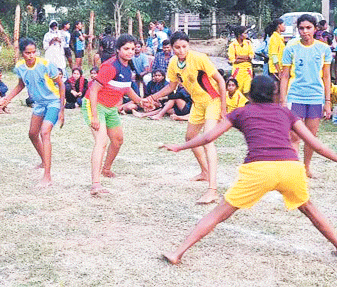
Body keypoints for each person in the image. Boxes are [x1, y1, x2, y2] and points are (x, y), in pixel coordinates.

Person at [160, 75, 337, 265]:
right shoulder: (286, 112)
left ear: (249, 95)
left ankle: (178, 253)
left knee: (218, 213)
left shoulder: (240, 112)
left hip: (258, 169)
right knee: (310, 209)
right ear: (275, 94)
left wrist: (179, 146)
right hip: (290, 168)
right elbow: (315, 144)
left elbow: (207, 138)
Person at [145, 31, 227, 204]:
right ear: (172, 48)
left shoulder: (200, 58)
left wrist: (224, 109)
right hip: (197, 103)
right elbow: (171, 87)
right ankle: (205, 172)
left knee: (208, 140)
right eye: (177, 47)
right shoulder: (173, 62)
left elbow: (220, 81)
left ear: (189, 46)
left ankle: (212, 191)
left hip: (212, 101)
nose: (181, 50)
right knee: (190, 137)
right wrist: (152, 98)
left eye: (184, 46)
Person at [84, 34, 150, 195]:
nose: (130, 52)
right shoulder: (110, 66)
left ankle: (106, 169)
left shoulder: (128, 66)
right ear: (118, 50)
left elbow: (126, 87)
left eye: (133, 49)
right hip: (95, 105)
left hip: (110, 107)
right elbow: (93, 90)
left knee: (118, 140)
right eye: (126, 49)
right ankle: (95, 184)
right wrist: (94, 116)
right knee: (101, 142)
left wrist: (141, 101)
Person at [0, 39, 65, 188]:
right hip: (39, 104)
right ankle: (43, 160)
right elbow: (20, 85)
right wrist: (6, 99)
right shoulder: (20, 67)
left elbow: (61, 84)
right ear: (22, 53)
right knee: (32, 134)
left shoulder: (46, 65)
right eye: (28, 53)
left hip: (53, 102)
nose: (31, 55)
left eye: (34, 52)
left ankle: (47, 175)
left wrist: (62, 109)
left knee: (44, 132)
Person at [279, 14, 333, 179]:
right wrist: (283, 100)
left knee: (310, 136)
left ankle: (306, 167)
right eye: (301, 28)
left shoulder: (324, 49)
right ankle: (294, 170)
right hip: (296, 96)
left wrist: (328, 101)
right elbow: (285, 76)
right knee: (294, 136)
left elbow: (326, 76)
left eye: (308, 28)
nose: (305, 31)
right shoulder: (291, 48)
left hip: (316, 98)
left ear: (315, 29)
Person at [227, 25, 253, 95]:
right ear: (240, 35)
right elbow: (233, 60)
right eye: (245, 33)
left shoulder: (248, 43)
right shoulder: (233, 45)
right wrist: (245, 58)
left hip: (248, 70)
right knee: (238, 91)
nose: (246, 35)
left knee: (247, 91)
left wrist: (239, 57)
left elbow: (251, 56)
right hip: (238, 71)